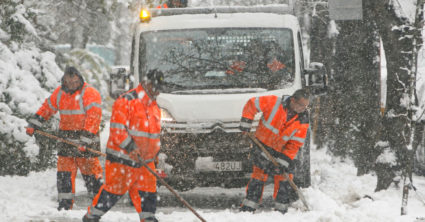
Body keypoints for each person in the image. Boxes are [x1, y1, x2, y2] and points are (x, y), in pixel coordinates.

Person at [82, 69, 164, 222]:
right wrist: (132, 148)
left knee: (148, 194)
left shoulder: (154, 107)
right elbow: (117, 130)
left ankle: (148, 219)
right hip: (123, 161)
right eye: (155, 87)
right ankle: (91, 217)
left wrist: (155, 154)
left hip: (145, 163)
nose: (158, 92)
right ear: (146, 83)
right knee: (112, 193)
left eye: (159, 88)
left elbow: (153, 135)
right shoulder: (126, 101)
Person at [26, 66, 103, 210]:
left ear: (80, 79)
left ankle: (100, 206)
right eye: (70, 82)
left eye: (75, 82)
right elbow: (47, 108)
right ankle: (64, 206)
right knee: (64, 175)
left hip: (86, 139)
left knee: (91, 175)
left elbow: (94, 118)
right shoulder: (59, 93)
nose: (73, 85)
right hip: (65, 139)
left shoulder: (90, 93)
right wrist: (34, 123)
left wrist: (84, 141)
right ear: (64, 81)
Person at [239, 89, 310, 214]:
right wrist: (246, 122)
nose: (303, 109)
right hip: (262, 145)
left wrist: (284, 161)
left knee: (284, 176)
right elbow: (252, 103)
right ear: (292, 100)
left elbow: (295, 144)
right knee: (259, 175)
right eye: (301, 105)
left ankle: (281, 209)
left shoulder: (303, 120)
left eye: (305, 106)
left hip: (281, 151)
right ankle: (249, 206)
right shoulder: (273, 102)